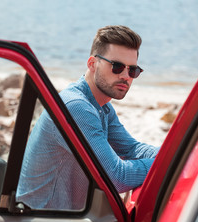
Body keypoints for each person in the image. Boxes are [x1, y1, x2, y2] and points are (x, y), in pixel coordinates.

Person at [16, 25, 160, 210]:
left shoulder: (101, 106)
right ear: (92, 64)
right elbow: (116, 178)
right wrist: (169, 164)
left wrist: (176, 155)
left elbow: (132, 149)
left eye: (133, 70)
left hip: (63, 221)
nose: (126, 76)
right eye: (117, 67)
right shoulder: (75, 106)